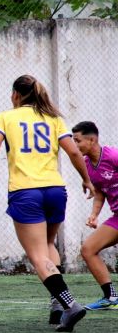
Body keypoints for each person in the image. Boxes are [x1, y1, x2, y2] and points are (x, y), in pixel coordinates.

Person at [0, 75, 94, 332]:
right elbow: (74, 151)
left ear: (16, 95)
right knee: (48, 245)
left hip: (26, 192)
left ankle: (70, 304)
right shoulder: (53, 118)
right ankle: (57, 306)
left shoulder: (6, 117)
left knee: (38, 256)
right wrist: (86, 179)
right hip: (55, 190)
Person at [71, 121, 118, 310]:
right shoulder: (87, 164)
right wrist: (94, 214)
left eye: (78, 141)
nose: (75, 146)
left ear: (92, 140)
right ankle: (111, 298)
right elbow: (99, 192)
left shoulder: (113, 156)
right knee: (88, 249)